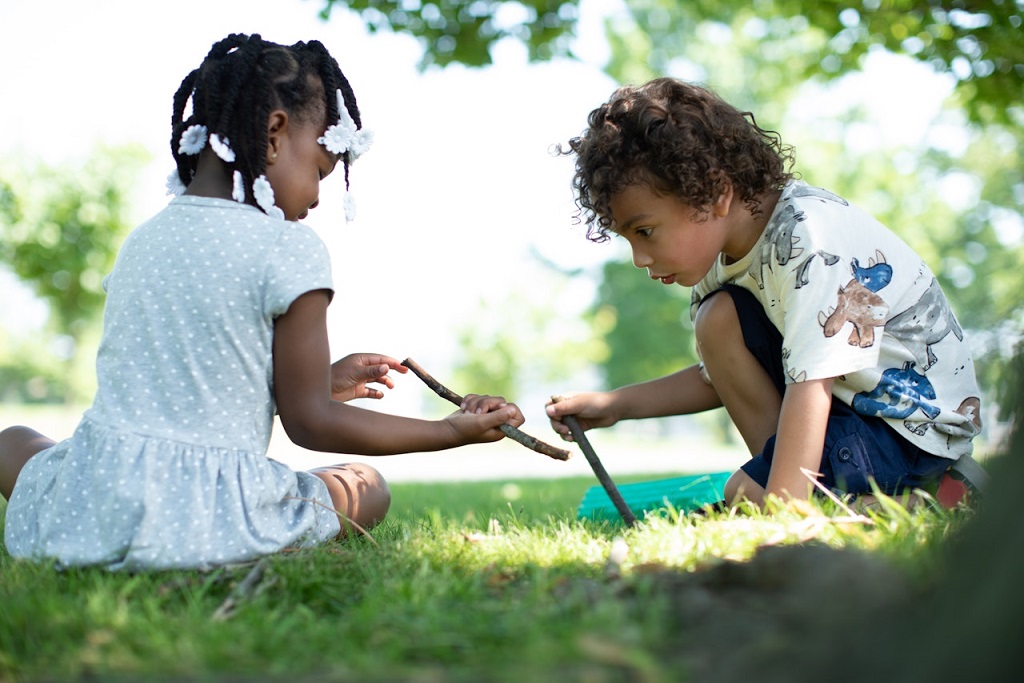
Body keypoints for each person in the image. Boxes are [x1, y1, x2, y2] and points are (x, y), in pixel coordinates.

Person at [0, 33, 524, 570]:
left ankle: (76, 519)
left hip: (99, 500)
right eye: (320, 169)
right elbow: (310, 424)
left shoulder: (143, 240)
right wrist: (446, 433)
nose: (319, 196)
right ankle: (220, 542)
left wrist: (321, 380)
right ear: (274, 133)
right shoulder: (289, 247)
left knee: (13, 441)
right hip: (209, 517)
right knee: (366, 487)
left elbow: (180, 388)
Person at [545, 77, 985, 510]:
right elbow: (718, 375)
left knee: (745, 494)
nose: (640, 257)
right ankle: (808, 494)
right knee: (716, 320)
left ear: (715, 193)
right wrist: (616, 405)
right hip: (849, 418)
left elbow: (812, 381)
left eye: (645, 231)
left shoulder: (808, 241)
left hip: (903, 430)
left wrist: (781, 507)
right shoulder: (722, 263)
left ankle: (931, 498)